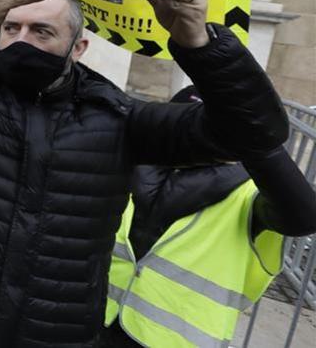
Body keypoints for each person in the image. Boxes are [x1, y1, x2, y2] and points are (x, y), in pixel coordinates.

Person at [0, 0, 291, 347]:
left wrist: (200, 44)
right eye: (10, 27)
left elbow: (255, 133)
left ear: (78, 48)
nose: (22, 40)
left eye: (42, 31)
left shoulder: (118, 117)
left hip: (54, 335)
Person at [99, 87, 316, 348]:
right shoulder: (134, 166)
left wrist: (260, 147)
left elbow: (302, 215)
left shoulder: (250, 194)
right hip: (95, 322)